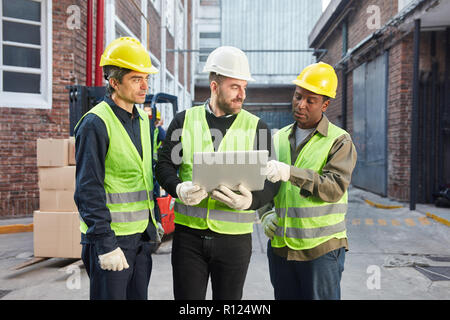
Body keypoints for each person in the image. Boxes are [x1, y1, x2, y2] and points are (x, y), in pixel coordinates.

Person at [155, 46, 279, 300]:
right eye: (235, 87)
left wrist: (252, 202)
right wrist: (179, 188)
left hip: (235, 241)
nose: (242, 94)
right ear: (214, 86)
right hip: (189, 238)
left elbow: (271, 179)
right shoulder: (184, 121)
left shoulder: (258, 128)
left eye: (244, 87)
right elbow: (164, 166)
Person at [74, 37, 164, 300]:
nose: (145, 85)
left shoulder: (144, 120)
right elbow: (87, 189)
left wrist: (154, 220)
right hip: (111, 241)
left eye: (146, 78)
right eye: (136, 79)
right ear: (114, 82)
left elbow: (145, 175)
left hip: (139, 240)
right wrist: (105, 245)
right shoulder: (95, 123)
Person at [263, 62, 357, 300]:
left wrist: (289, 173)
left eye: (310, 100)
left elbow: (334, 187)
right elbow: (262, 183)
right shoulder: (279, 138)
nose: (300, 104)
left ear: (325, 104)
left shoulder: (339, 141)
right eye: (298, 96)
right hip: (282, 247)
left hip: (321, 250)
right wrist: (264, 213)